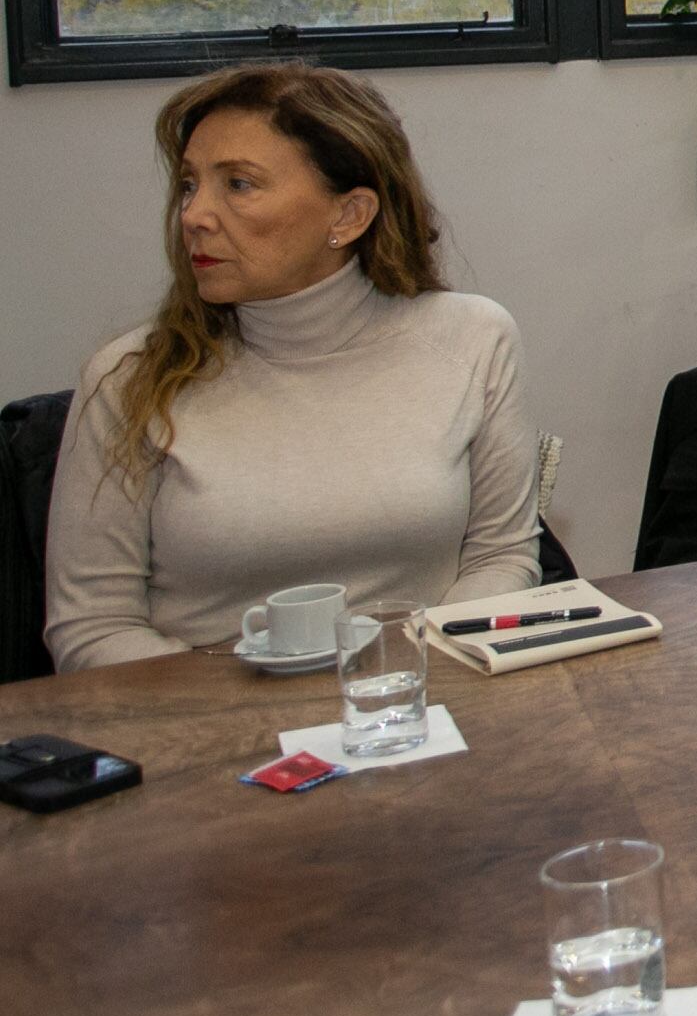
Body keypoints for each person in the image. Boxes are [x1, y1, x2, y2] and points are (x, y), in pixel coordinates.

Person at [45, 65, 539, 671]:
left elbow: (502, 559)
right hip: (210, 733)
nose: (195, 214)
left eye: (240, 185)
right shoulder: (126, 379)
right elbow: (91, 628)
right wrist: (251, 715)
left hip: (413, 708)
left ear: (349, 216)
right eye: (190, 184)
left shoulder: (474, 339)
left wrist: (398, 686)